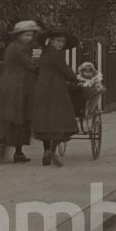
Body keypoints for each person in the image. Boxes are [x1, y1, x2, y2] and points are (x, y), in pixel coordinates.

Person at [0, 20, 41, 163]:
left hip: (11, 84)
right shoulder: (19, 48)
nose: (29, 38)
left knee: (14, 117)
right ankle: (13, 149)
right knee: (19, 117)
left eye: (31, 35)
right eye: (26, 35)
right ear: (18, 35)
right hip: (17, 86)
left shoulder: (16, 46)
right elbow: (31, 65)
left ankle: (12, 148)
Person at [31, 27, 80, 167]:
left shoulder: (44, 54)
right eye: (58, 41)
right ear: (51, 41)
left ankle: (46, 151)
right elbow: (65, 71)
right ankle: (51, 151)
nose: (61, 44)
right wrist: (76, 79)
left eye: (63, 42)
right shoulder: (57, 54)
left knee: (46, 122)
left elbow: (37, 69)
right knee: (61, 120)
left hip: (41, 90)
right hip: (56, 91)